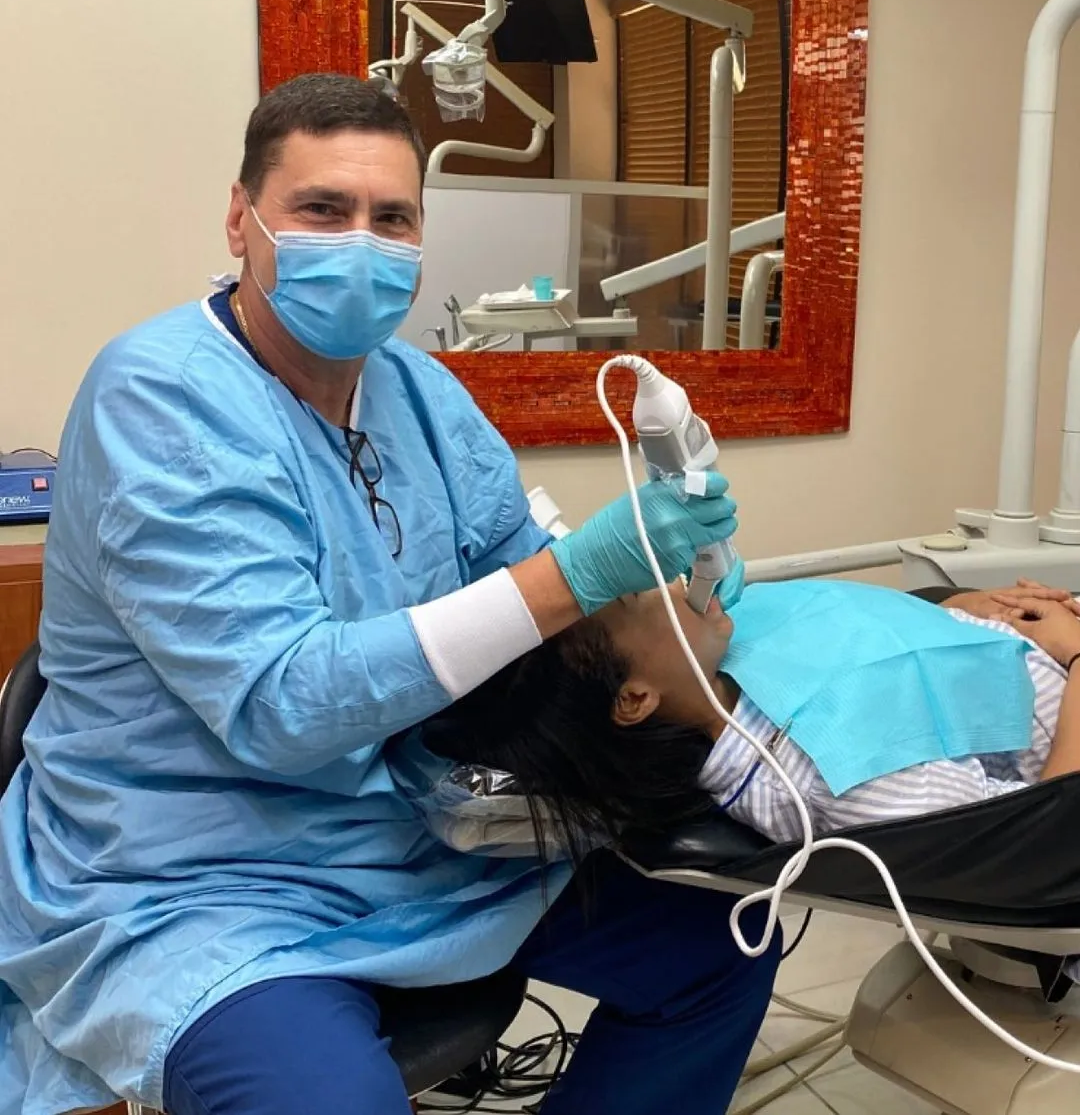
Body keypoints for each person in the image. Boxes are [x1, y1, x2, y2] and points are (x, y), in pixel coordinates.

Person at [0, 73, 772, 1115]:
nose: (360, 243)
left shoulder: (420, 390)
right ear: (242, 218)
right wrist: (581, 571)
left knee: (723, 941)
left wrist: (675, 571)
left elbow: (515, 555)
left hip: (405, 834)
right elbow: (282, 707)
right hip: (194, 876)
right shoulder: (160, 397)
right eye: (322, 209)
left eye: (392, 218)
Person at [429, 577, 1080, 854]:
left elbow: (865, 626)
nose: (674, 581)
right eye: (640, 596)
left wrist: (971, 606)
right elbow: (1046, 834)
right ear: (634, 698)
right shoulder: (835, 769)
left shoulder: (725, 647)